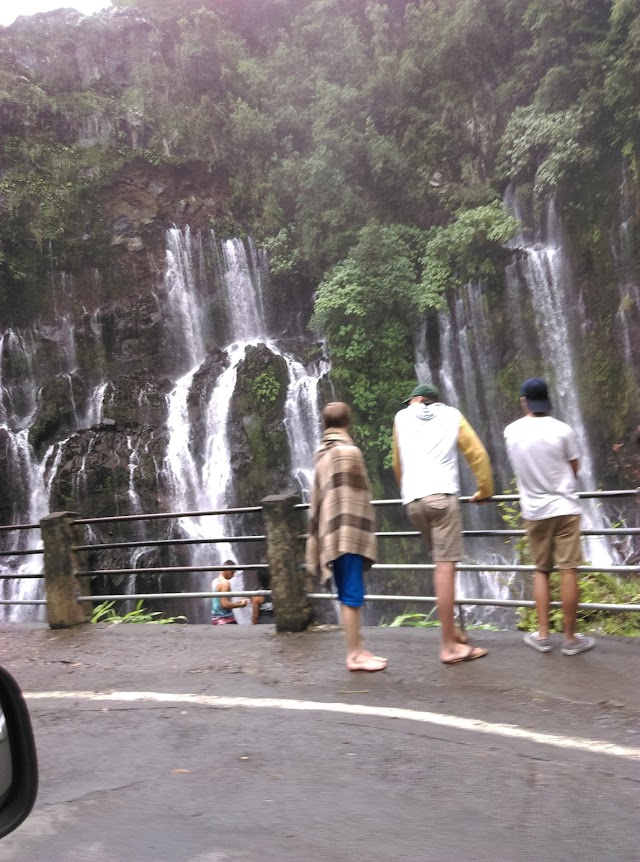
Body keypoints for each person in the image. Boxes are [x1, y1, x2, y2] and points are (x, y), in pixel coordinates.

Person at [392, 383, 494, 665]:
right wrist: (484, 491)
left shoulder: (401, 418)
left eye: (411, 400)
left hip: (413, 501)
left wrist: (409, 490)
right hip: (441, 497)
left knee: (442, 564)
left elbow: (397, 462)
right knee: (446, 566)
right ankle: (448, 646)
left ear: (420, 399)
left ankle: (453, 632)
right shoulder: (452, 415)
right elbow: (478, 455)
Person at [504, 377, 595, 656]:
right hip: (565, 508)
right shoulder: (563, 430)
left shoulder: (511, 431)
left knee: (541, 571)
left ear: (524, 401)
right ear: (547, 400)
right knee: (569, 570)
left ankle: (542, 636)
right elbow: (574, 466)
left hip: (534, 511)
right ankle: (570, 639)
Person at [306, 402, 387, 672]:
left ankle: (358, 648)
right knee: (352, 593)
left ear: (325, 424)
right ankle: (354, 655)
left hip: (330, 532)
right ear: (348, 423)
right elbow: (360, 494)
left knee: (345, 593)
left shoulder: (321, 453)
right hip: (348, 532)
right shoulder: (349, 452)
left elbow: (321, 496)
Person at [211, 559, 250, 625]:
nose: (233, 575)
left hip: (215, 619)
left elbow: (220, 602)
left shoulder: (214, 582)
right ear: (227, 569)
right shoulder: (225, 583)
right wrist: (241, 605)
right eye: (232, 572)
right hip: (225, 619)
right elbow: (225, 604)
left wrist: (238, 602)